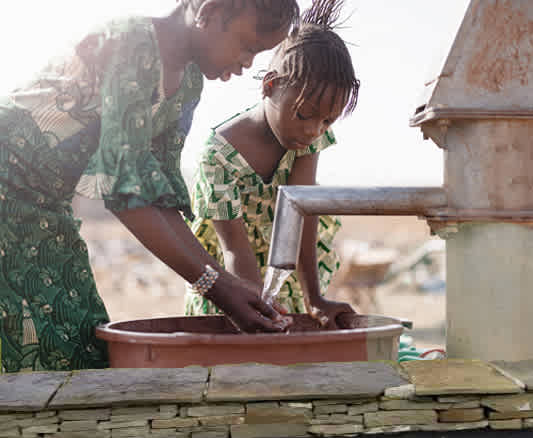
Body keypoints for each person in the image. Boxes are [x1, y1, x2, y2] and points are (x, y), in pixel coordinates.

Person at [0, 0, 301, 373]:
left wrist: (224, 283)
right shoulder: (132, 43)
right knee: (31, 352)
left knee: (76, 343)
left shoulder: (188, 84)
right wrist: (217, 286)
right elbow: (126, 195)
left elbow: (157, 198)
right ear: (209, 11)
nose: (247, 64)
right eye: (247, 46)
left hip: (43, 211)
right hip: (6, 193)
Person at [184, 0, 360, 328]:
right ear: (270, 85)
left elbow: (303, 212)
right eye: (305, 114)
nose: (313, 130)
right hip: (234, 294)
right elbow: (234, 249)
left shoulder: (306, 140)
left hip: (285, 287)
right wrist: (259, 312)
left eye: (327, 122)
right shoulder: (218, 156)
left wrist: (314, 299)